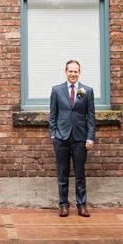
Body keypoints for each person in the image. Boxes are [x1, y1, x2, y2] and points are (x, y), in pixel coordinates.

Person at [47, 59, 96, 218]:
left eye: (76, 71)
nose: (73, 74)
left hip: (80, 138)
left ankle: (82, 205)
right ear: (66, 72)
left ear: (79, 73)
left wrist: (90, 137)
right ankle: (63, 205)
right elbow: (53, 115)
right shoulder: (56, 90)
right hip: (61, 138)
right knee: (62, 173)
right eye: (70, 71)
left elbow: (91, 117)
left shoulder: (86, 91)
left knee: (80, 173)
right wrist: (53, 135)